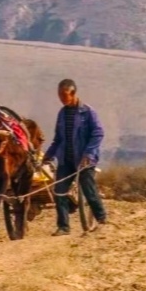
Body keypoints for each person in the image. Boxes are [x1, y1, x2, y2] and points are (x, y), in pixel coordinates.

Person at [42, 78, 109, 235]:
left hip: (85, 160)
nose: (61, 99)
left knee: (89, 190)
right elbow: (58, 138)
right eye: (59, 95)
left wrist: (88, 153)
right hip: (66, 160)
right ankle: (64, 227)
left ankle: (102, 219)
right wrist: (49, 155)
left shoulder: (88, 112)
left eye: (64, 95)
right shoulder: (62, 114)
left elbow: (98, 133)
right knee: (59, 191)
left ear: (73, 94)